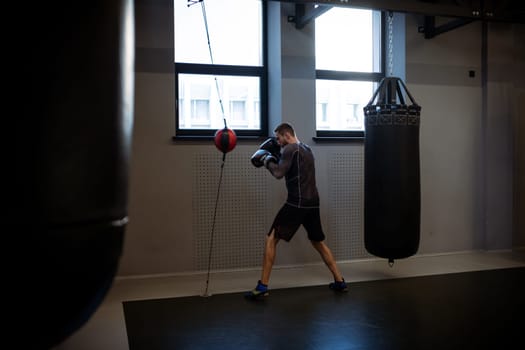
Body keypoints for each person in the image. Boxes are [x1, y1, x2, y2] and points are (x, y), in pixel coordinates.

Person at [246, 122, 348, 299]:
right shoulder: (307, 149)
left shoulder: (290, 149)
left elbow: (278, 173)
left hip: (296, 203)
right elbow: (292, 168)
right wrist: (276, 156)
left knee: (271, 239)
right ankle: (340, 281)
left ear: (287, 135)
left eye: (278, 138)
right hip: (313, 203)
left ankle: (262, 287)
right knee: (318, 242)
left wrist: (266, 159)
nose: (277, 142)